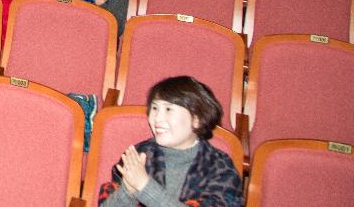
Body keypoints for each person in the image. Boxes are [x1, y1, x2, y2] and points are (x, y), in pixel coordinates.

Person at [96, 76, 244, 206]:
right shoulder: (140, 155)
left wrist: (145, 186)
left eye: (168, 110)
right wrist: (127, 191)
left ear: (197, 119)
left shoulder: (220, 168)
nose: (157, 118)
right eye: (154, 108)